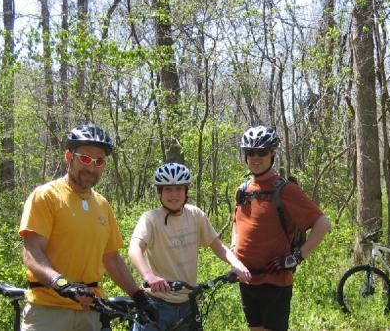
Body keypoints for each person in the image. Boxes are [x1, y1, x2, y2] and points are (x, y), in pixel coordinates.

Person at [19, 124, 158, 331]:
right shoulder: (46, 196)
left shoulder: (102, 204)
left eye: (99, 161)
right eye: (84, 158)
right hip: (48, 310)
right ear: (68, 156)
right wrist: (61, 284)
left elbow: (111, 258)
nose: (91, 167)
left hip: (91, 312)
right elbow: (32, 253)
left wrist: (137, 294)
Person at [128, 162, 252, 331]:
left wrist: (237, 265)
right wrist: (149, 276)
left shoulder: (195, 215)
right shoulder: (150, 219)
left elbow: (218, 246)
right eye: (168, 189)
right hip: (156, 304)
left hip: (189, 303)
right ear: (160, 192)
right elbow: (134, 248)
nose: (173, 195)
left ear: (186, 191)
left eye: (178, 189)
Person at [231, 126, 331, 331]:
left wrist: (295, 258)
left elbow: (323, 224)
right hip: (247, 279)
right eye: (250, 153)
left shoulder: (285, 190)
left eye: (262, 152)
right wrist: (234, 252)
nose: (255, 158)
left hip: (274, 281)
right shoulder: (243, 189)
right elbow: (237, 224)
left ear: (273, 155)